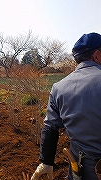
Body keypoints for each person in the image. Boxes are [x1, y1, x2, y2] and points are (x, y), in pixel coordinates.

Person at [31, 32, 101, 180]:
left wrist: (46, 161)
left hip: (78, 171)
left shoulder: (58, 87)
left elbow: (50, 127)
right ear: (97, 55)